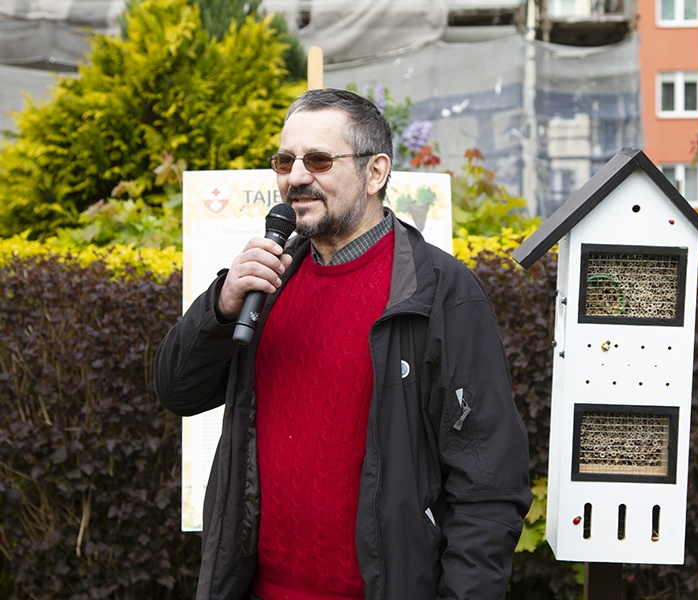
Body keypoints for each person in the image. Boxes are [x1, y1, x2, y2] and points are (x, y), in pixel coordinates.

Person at [154, 88, 532, 600]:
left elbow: (488, 487)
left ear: (376, 173)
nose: (296, 177)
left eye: (319, 159)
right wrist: (220, 305)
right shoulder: (267, 282)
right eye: (285, 161)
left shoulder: (441, 292)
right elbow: (178, 390)